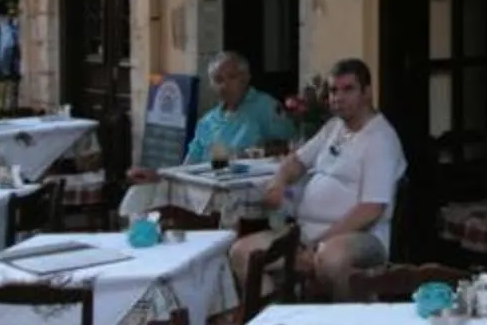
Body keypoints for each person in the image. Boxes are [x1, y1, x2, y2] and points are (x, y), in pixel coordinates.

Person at [244, 58, 405, 298]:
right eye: (333, 90)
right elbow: (296, 161)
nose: (338, 97)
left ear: (367, 92)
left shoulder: (380, 139)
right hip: (304, 232)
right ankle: (273, 319)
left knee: (331, 257)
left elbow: (371, 209)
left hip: (360, 237)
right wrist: (278, 183)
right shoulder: (333, 127)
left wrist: (319, 243)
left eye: (348, 89)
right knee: (241, 252)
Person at [130, 52, 286, 184]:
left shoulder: (266, 107)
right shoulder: (207, 122)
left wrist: (253, 154)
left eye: (231, 77)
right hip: (206, 193)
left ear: (245, 78)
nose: (224, 85)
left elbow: (288, 149)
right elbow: (188, 167)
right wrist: (158, 175)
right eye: (218, 80)